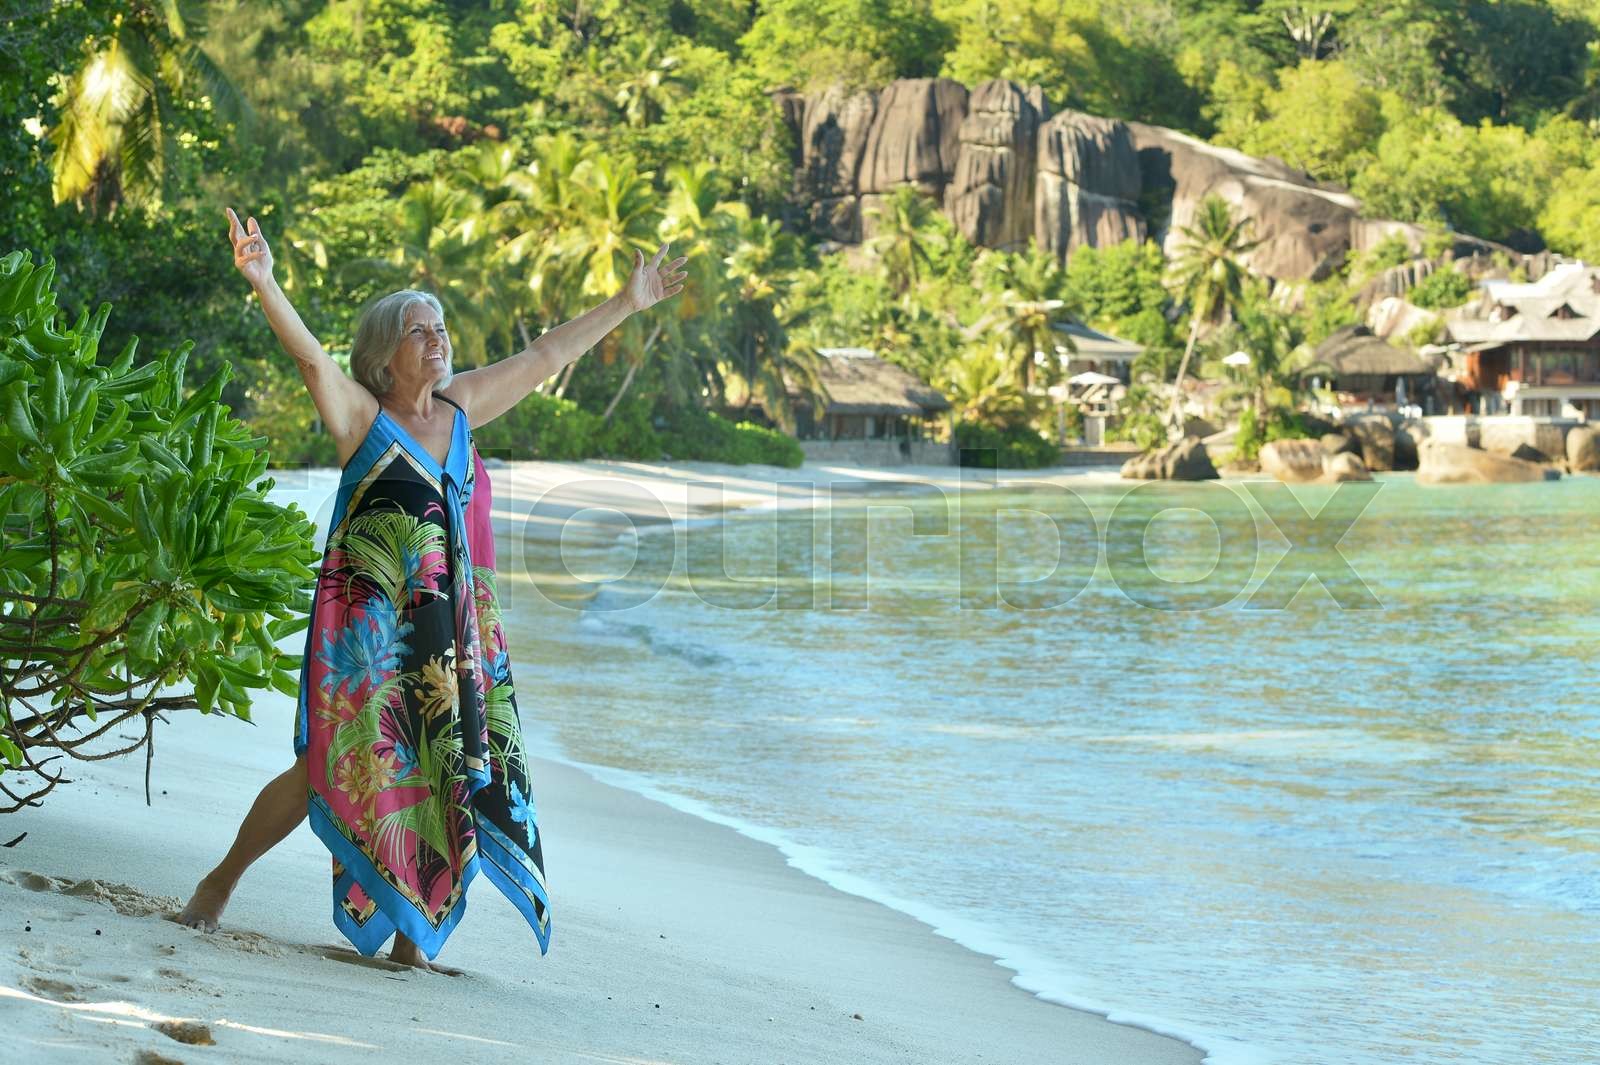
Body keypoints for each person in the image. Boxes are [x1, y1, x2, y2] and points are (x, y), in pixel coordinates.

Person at [176, 207, 686, 969]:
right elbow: (314, 360)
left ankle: (416, 941)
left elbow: (546, 354)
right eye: (419, 330)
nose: (437, 338)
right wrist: (264, 281)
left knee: (446, 767)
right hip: (372, 633)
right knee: (325, 766)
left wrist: (627, 302)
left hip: (455, 634)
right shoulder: (362, 418)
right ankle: (219, 881)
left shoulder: (462, 407)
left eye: (439, 326)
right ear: (386, 357)